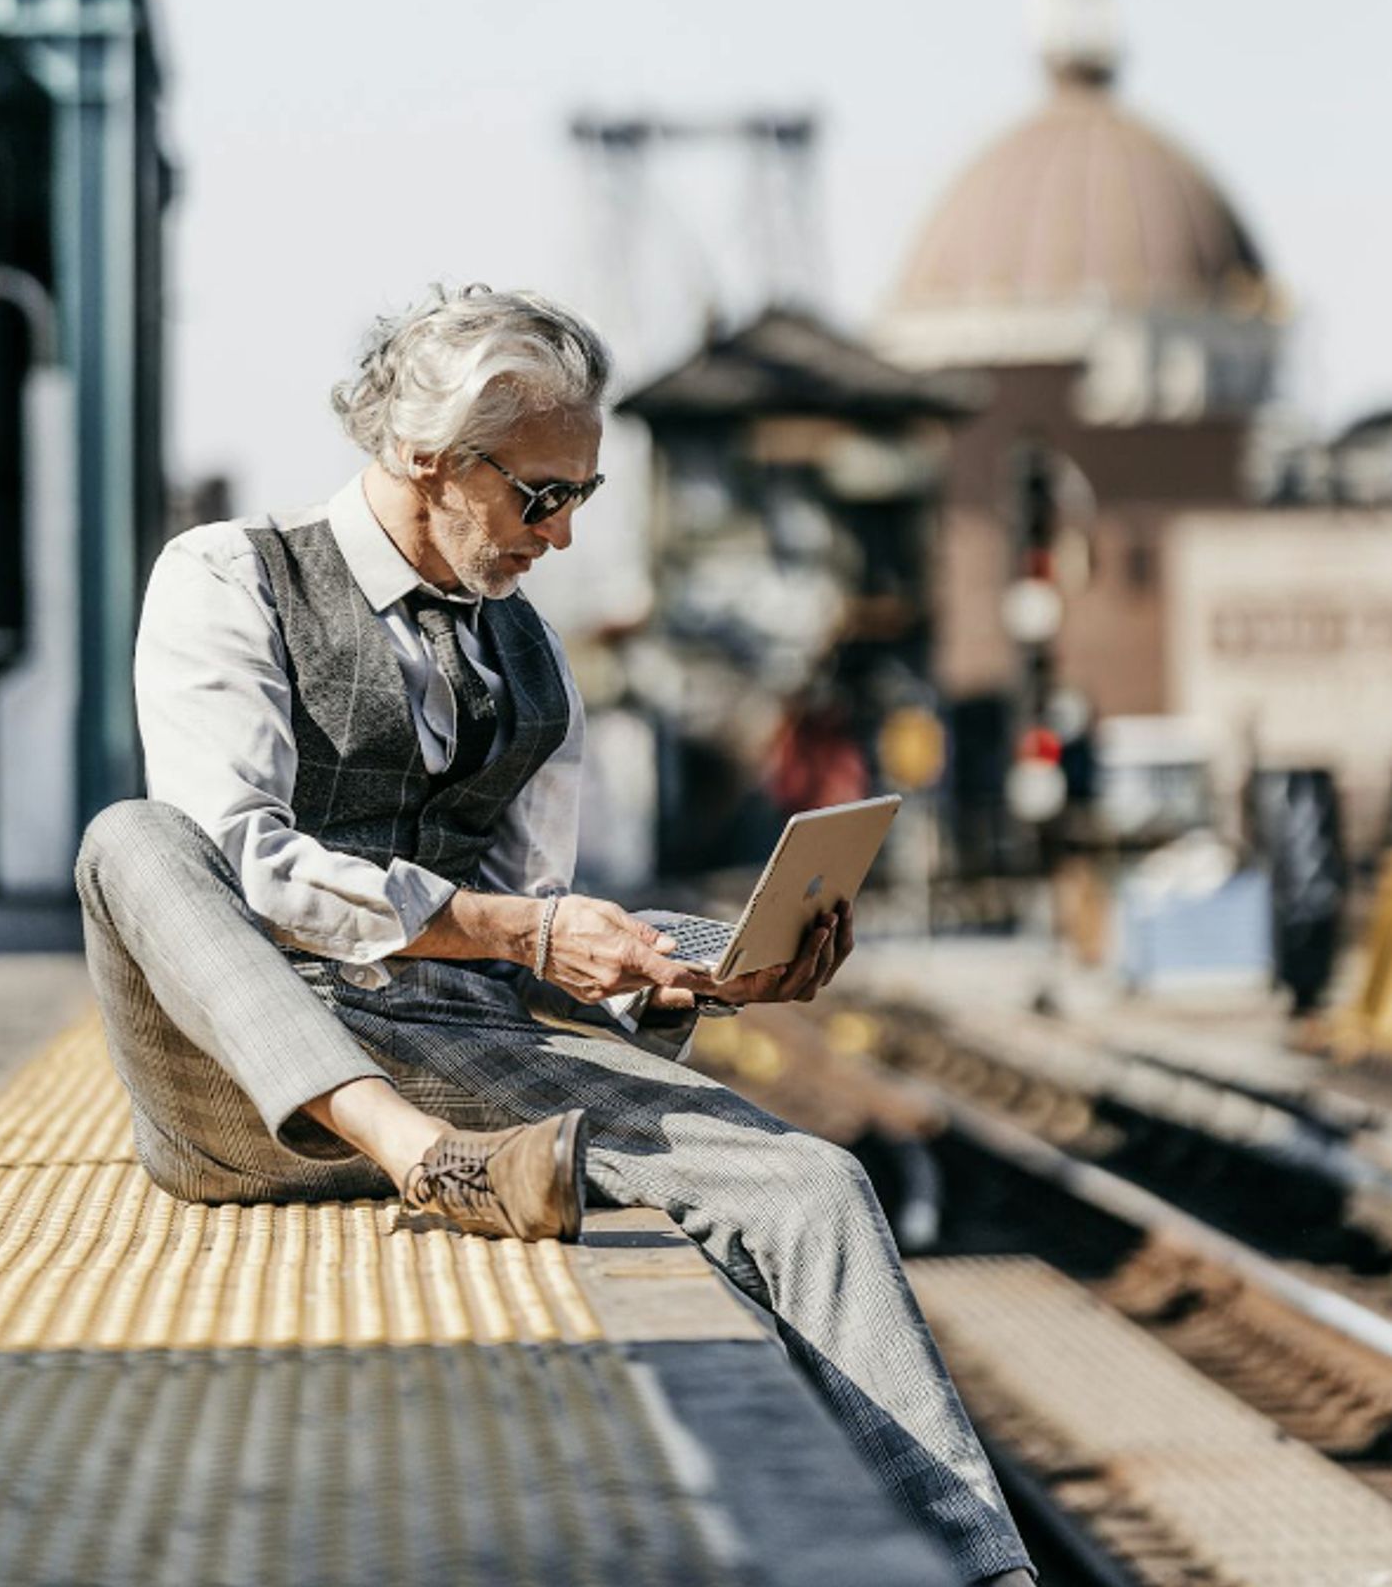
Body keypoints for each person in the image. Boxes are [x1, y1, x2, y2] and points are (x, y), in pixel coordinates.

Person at [76, 283, 1032, 1587]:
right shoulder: (225, 575)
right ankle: (417, 1162)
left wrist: (707, 969)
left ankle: (982, 1572)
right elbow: (247, 867)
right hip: (247, 1081)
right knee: (131, 838)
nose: (569, 534)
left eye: (582, 494)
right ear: (426, 458)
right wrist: (520, 935)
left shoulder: (533, 657)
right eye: (543, 494)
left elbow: (546, 930)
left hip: (472, 1077)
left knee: (818, 1191)